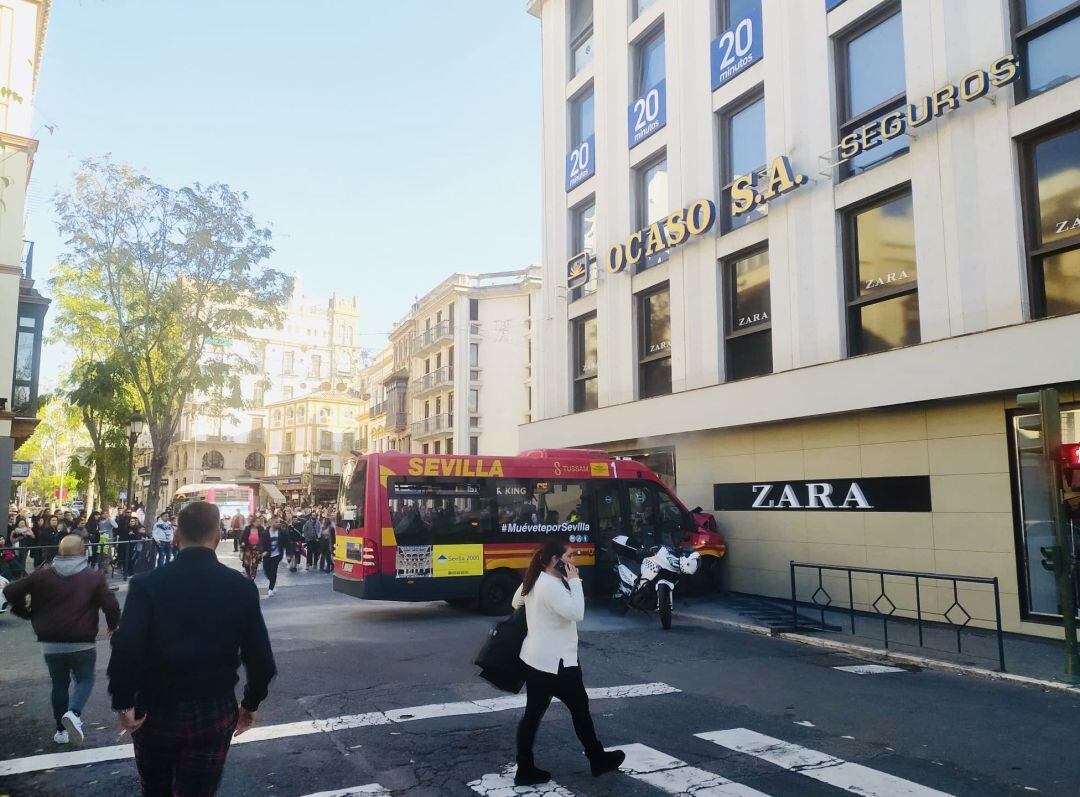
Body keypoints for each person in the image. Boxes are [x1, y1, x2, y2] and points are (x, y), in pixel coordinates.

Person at [108, 501, 276, 797]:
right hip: (214, 707)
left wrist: (124, 700)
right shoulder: (240, 587)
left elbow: (127, 645)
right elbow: (260, 659)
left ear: (176, 537)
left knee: (155, 789)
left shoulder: (147, 584)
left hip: (156, 706)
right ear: (218, 535)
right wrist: (250, 704)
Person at [510, 538, 624, 786]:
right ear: (555, 560)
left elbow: (515, 602)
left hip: (536, 660)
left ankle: (525, 768)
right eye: (570, 556)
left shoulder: (536, 579)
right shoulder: (551, 586)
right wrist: (575, 582)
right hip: (559, 664)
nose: (574, 561)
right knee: (580, 711)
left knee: (533, 716)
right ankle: (597, 759)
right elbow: (577, 613)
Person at [3, 534, 121, 746]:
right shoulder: (92, 577)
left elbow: (10, 591)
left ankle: (61, 732)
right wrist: (113, 626)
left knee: (59, 684)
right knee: (85, 679)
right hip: (81, 640)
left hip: (50, 642)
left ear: (60, 550)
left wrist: (26, 613)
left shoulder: (42, 575)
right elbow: (111, 605)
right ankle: (74, 713)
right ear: (82, 550)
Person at [259, 518, 292, 596]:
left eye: (279, 522)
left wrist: (288, 554)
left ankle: (270, 588)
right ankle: (273, 581)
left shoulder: (282, 532)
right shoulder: (265, 533)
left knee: (273, 571)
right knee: (267, 571)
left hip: (277, 555)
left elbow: (287, 543)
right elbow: (261, 544)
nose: (278, 523)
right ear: (270, 523)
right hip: (267, 555)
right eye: (276, 522)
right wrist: (263, 552)